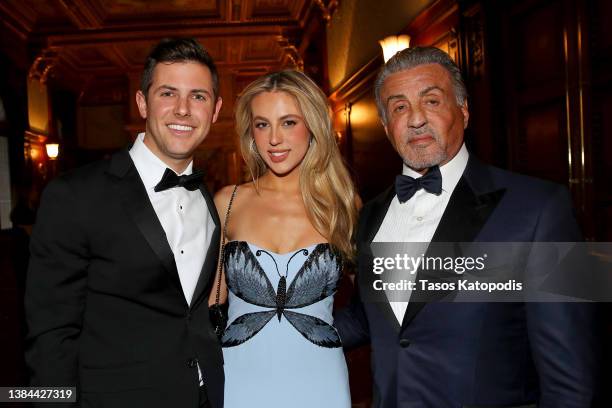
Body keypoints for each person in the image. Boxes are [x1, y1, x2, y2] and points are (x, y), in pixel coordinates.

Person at [334, 46, 597, 407]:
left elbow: (571, 382)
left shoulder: (542, 208)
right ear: (385, 127)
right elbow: (370, 318)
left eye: (431, 101)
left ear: (464, 110)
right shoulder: (370, 216)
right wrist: (278, 333)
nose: (415, 119)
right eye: (399, 107)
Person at [25, 38, 224, 408]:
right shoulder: (74, 195)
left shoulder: (212, 201)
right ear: (142, 102)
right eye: (168, 93)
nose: (183, 109)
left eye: (198, 96)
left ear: (215, 111)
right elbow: (51, 334)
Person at [211, 70, 358, 408]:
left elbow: (374, 307)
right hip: (239, 375)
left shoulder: (342, 206)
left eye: (289, 122)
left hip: (320, 378)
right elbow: (207, 304)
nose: (274, 139)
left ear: (313, 126)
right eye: (262, 125)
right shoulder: (228, 202)